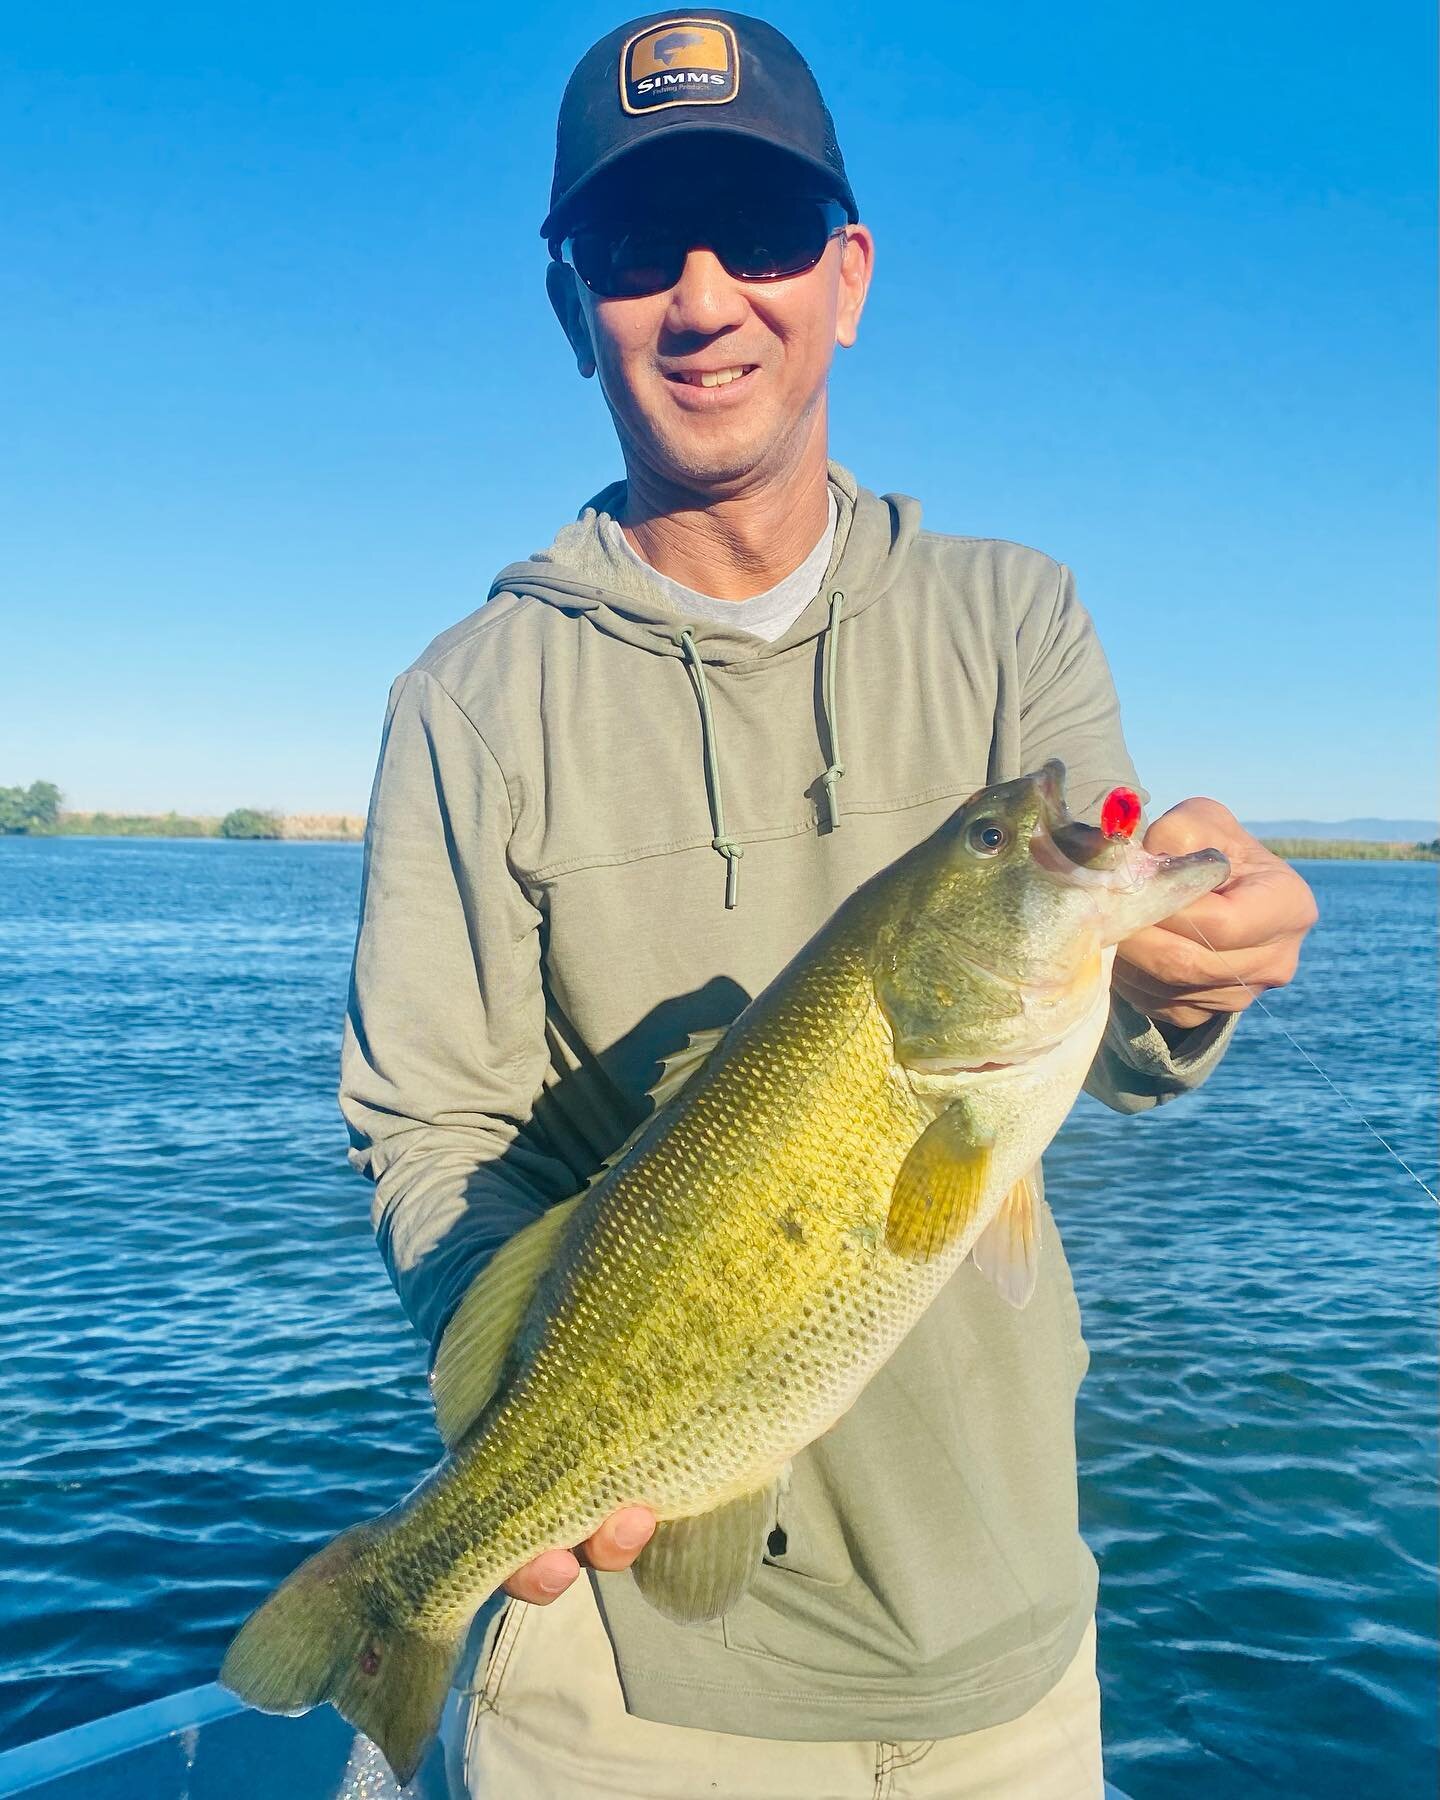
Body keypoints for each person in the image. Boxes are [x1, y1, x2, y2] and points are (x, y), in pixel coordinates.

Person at [339, 12, 1318, 1796]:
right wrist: (537, 1426)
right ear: (575, 311)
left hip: (1010, 1654)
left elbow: (1095, 1031)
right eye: (641, 250)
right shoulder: (465, 702)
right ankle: (403, 1603)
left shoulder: (1014, 619)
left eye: (763, 235)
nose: (706, 296)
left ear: (847, 278)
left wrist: (1187, 986)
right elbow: (426, 1130)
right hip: (628, 1688)